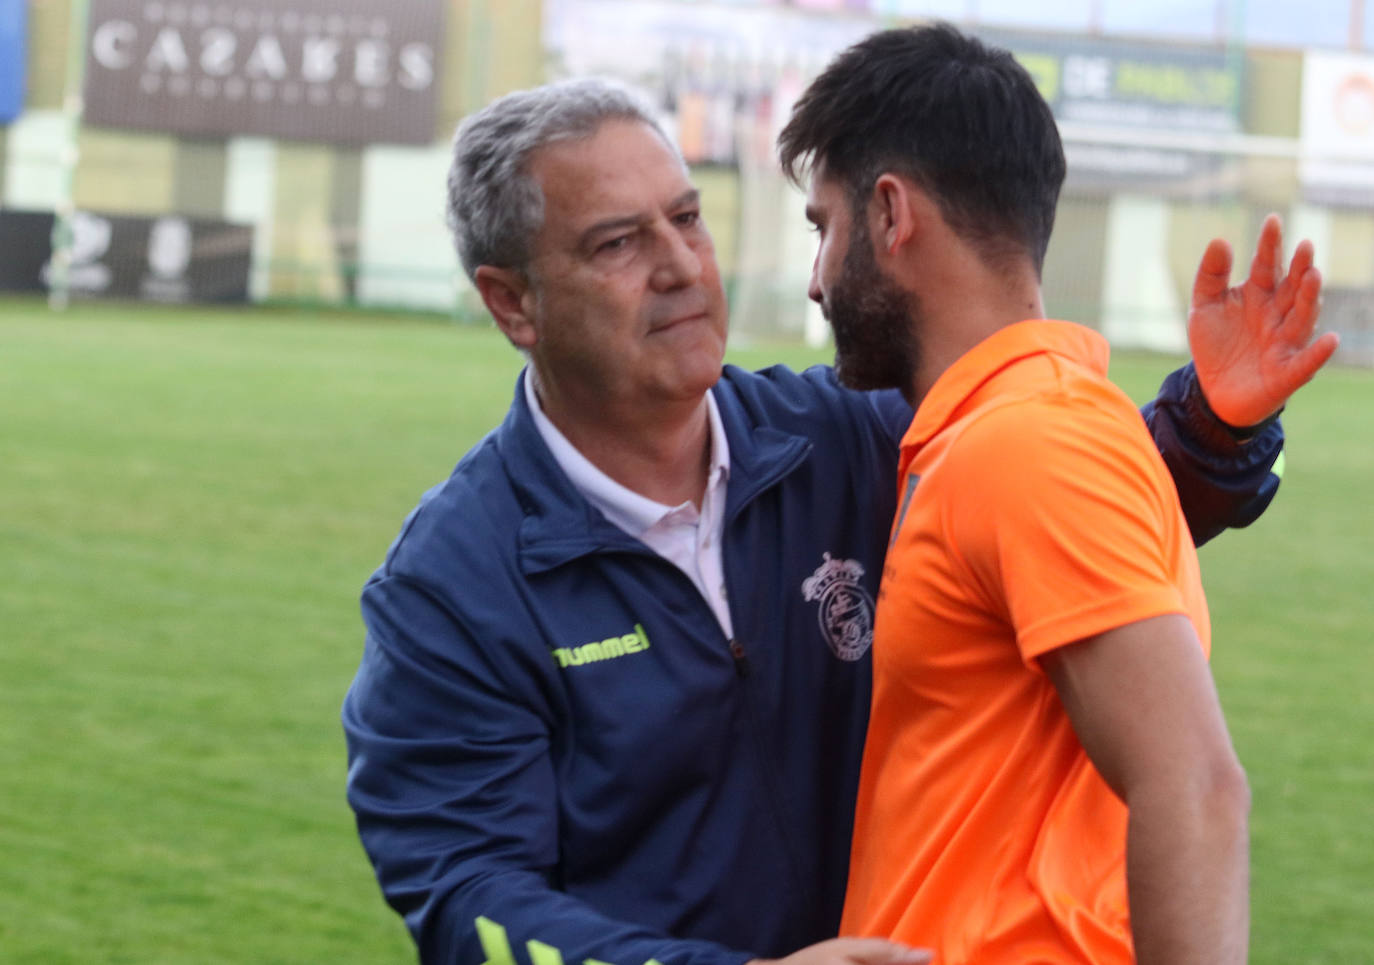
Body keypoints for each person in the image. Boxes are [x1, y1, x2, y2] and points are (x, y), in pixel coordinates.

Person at [341, 75, 1326, 965]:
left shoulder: (846, 440)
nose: (681, 264)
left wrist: (1206, 431)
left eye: (687, 218)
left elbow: (1064, 533)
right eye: (617, 242)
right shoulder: (453, 585)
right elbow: (470, 899)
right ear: (514, 303)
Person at [776, 24, 1337, 965]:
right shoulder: (1005, 428)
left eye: (825, 227)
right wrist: (1213, 436)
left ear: (889, 215)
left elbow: (1196, 785)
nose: (817, 279)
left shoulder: (1029, 440)